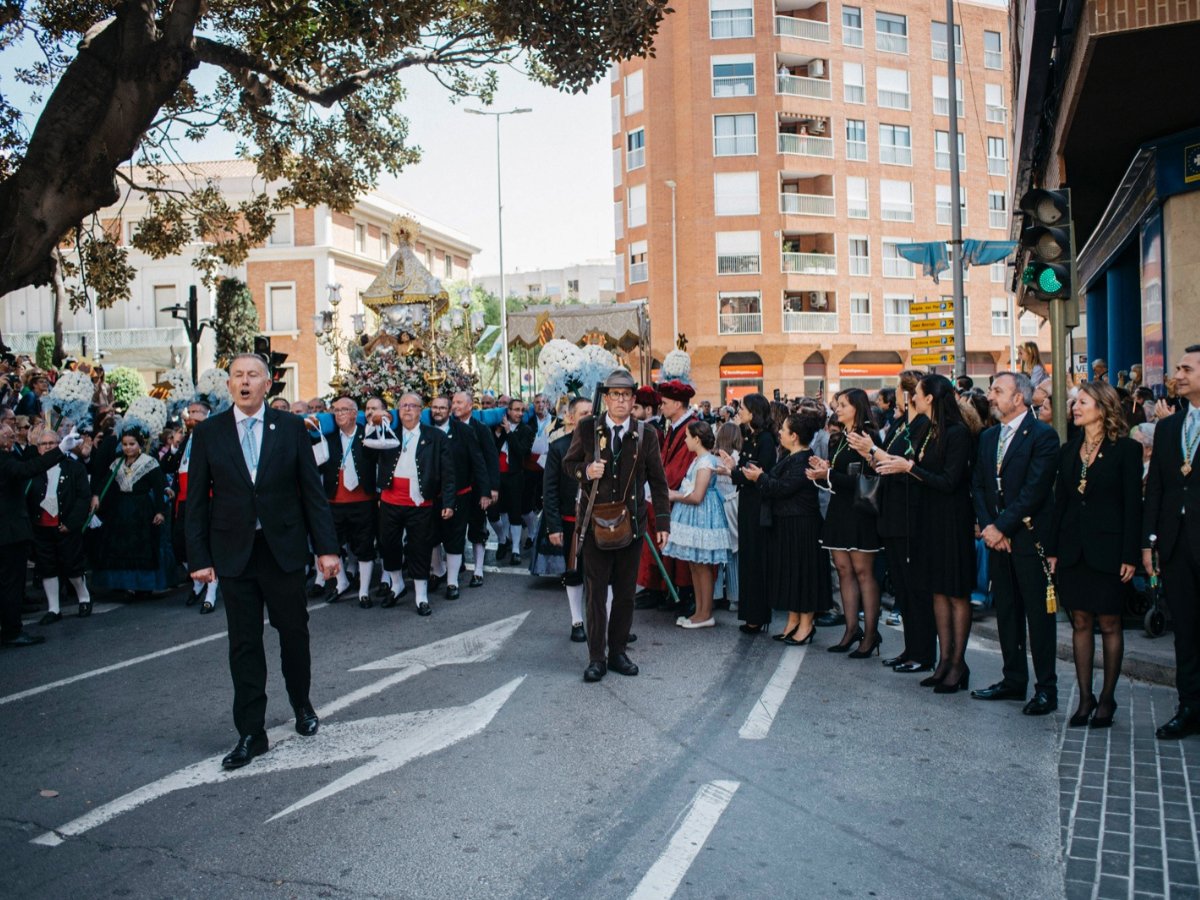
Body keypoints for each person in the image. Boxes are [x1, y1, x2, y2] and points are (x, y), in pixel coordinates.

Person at [186, 353, 340, 769]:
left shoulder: (290, 428)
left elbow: (312, 492)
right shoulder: (210, 433)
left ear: (268, 384)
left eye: (253, 375)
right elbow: (196, 501)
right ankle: (251, 732)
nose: (245, 381)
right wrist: (198, 558)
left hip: (282, 549)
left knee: (294, 633)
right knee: (244, 644)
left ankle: (301, 704)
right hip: (234, 555)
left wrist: (326, 548)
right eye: (238, 376)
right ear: (229, 385)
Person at [563, 369, 669, 682]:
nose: (621, 400)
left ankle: (618, 652)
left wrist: (662, 522)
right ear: (606, 398)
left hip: (631, 526)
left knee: (624, 594)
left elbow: (658, 482)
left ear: (633, 400)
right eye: (615, 395)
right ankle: (597, 658)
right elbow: (568, 465)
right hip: (595, 525)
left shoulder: (646, 433)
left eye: (626, 395)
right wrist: (586, 470)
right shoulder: (586, 428)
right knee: (595, 594)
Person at [873, 375, 976, 693]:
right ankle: (943, 660)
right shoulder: (930, 431)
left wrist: (909, 468)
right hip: (928, 519)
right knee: (937, 592)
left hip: (952, 521)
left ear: (930, 397)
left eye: (916, 393)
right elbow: (918, 467)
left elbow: (948, 481)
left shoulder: (957, 433)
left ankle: (958, 664)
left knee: (955, 592)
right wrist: (899, 464)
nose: (912, 397)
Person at [1048, 382, 1140, 729]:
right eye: (1075, 402)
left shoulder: (1125, 450)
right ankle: (1085, 698)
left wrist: (1130, 553)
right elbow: (1061, 504)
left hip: (1110, 550)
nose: (1075, 407)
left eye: (1082, 402)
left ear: (1102, 408)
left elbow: (1133, 505)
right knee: (1081, 621)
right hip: (1074, 550)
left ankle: (1107, 698)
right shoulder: (1068, 451)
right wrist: (1054, 550)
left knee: (1110, 622)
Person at [970, 372, 1061, 715]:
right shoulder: (989, 436)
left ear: (1018, 398)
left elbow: (1035, 491)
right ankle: (1013, 680)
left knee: (1038, 616)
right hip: (998, 540)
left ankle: (1046, 689)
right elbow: (978, 484)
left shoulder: (1043, 436)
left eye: (998, 391)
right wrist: (989, 526)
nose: (991, 396)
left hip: (1028, 538)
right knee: (1006, 612)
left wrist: (1001, 527)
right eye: (992, 390)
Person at [854, 371, 934, 673]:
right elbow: (886, 462)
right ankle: (909, 649)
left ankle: (923, 652)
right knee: (901, 586)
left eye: (902, 390)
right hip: (891, 510)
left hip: (910, 512)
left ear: (910, 394)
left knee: (915, 588)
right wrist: (871, 455)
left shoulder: (924, 426)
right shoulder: (903, 424)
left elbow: (906, 464)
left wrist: (873, 450)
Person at [1144, 345, 1200, 739]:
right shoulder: (1167, 427)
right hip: (1177, 547)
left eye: (1186, 369)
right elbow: (1158, 491)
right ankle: (1189, 707)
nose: (1176, 375)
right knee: (1186, 631)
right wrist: (1150, 543)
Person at [365, 392, 455, 615]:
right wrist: (373, 425)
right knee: (388, 545)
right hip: (390, 500)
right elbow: (367, 454)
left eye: (412, 406)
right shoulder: (388, 433)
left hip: (420, 501)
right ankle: (397, 585)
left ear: (420, 410)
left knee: (419, 547)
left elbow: (448, 472)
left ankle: (421, 595)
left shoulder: (435, 437)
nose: (407, 409)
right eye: (403, 405)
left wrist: (449, 502)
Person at [808, 389, 883, 657]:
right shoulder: (837, 438)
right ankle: (851, 629)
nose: (837, 408)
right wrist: (824, 469)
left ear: (857, 407)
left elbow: (869, 479)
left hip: (860, 510)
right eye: (837, 404)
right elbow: (838, 474)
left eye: (843, 404)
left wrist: (828, 474)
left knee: (863, 572)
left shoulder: (868, 437)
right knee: (843, 569)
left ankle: (871, 633)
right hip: (840, 508)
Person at [745, 413, 827, 645]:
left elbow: (782, 488)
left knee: (804, 575)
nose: (779, 432)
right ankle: (793, 621)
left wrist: (759, 478)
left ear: (794, 436)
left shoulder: (804, 459)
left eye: (784, 429)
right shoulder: (791, 456)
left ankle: (806, 625)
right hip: (788, 524)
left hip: (803, 525)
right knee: (792, 574)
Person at [1, 423, 80, 646]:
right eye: (3, 430)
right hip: (9, 532)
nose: (10, 434)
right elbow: (28, 469)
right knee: (11, 584)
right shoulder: (4, 459)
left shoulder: (9, 455)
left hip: (9, 531)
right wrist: (60, 450)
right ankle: (12, 631)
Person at [663, 420, 731, 628]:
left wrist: (674, 495)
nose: (684, 440)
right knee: (695, 565)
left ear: (697, 439)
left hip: (702, 514)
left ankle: (705, 613)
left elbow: (697, 496)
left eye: (687, 437)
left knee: (702, 567)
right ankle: (700, 611)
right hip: (697, 515)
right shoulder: (702, 459)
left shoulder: (704, 462)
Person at [93, 418, 171, 599]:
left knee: (142, 547)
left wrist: (159, 511)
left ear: (140, 444)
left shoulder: (149, 463)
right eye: (125, 444)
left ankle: (144, 586)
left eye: (132, 444)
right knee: (121, 547)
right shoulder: (117, 463)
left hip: (142, 510)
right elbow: (107, 483)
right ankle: (123, 584)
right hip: (120, 510)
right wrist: (97, 496)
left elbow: (159, 487)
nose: (128, 448)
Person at [720, 393, 778, 635]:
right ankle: (751, 614)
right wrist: (734, 470)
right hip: (747, 503)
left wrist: (732, 472)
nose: (738, 411)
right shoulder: (750, 437)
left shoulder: (764, 439)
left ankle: (757, 615)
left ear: (753, 412)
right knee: (748, 558)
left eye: (742, 407)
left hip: (758, 505)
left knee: (756, 560)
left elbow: (757, 474)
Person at [637, 380, 696, 614]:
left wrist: (657, 489)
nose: (661, 407)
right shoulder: (674, 426)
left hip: (679, 496)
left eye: (665, 403)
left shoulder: (690, 427)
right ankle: (659, 586)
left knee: (680, 547)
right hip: (666, 493)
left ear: (679, 404)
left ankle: (681, 591)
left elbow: (680, 466)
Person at [315, 396, 378, 607]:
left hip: (363, 500)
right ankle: (341, 582)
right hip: (334, 501)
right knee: (332, 544)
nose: (339, 414)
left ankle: (363, 591)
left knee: (365, 545)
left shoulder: (368, 434)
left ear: (354, 413)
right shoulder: (328, 438)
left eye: (344, 410)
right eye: (336, 410)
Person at [27, 427, 93, 623]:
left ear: (61, 445)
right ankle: (53, 609)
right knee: (47, 568)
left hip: (65, 526)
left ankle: (84, 597)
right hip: (41, 527)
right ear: (38, 448)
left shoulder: (74, 468)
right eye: (43, 444)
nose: (48, 447)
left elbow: (83, 498)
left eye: (52, 443)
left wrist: (71, 523)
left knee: (72, 566)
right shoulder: (33, 468)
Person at [428, 394, 487, 599]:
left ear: (449, 409)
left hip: (459, 494)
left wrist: (486, 491)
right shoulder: (424, 431)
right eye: (434, 407)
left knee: (454, 538)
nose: (438, 411)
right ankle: (437, 572)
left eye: (442, 407)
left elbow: (478, 462)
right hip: (430, 497)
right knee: (432, 536)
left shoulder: (464, 431)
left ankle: (452, 582)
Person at [543, 395, 592, 642]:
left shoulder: (603, 445)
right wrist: (553, 526)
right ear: (571, 417)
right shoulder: (559, 447)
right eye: (583, 413)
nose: (589, 417)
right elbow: (549, 489)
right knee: (574, 572)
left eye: (592, 413)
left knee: (605, 574)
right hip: (570, 520)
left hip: (600, 520)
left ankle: (608, 623)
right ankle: (577, 621)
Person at [452, 391, 498, 588]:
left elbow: (490, 459)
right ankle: (457, 564)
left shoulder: (481, 428)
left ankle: (478, 570)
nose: (455, 406)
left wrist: (490, 489)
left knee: (477, 528)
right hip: (456, 489)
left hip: (478, 488)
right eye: (453, 402)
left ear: (470, 406)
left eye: (459, 402)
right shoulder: (449, 427)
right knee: (455, 529)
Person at [490, 398, 530, 566]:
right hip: (496, 476)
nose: (519, 413)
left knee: (515, 513)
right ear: (508, 411)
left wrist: (509, 433)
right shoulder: (494, 428)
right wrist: (499, 432)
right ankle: (502, 539)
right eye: (516, 410)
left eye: (522, 410)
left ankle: (515, 549)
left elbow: (521, 452)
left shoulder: (526, 430)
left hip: (515, 476)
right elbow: (491, 449)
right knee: (493, 513)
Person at [713, 421, 742, 612]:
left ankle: (715, 595)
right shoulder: (738, 457)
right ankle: (735, 597)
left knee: (717, 552)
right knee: (734, 553)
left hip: (717, 504)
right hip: (735, 504)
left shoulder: (713, 458)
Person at [521, 394, 557, 546]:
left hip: (549, 467)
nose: (540, 405)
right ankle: (532, 532)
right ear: (533, 405)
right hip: (529, 468)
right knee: (526, 504)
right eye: (537, 402)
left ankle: (549, 533)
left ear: (548, 404)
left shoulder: (557, 422)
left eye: (543, 402)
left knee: (548, 501)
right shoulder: (527, 422)